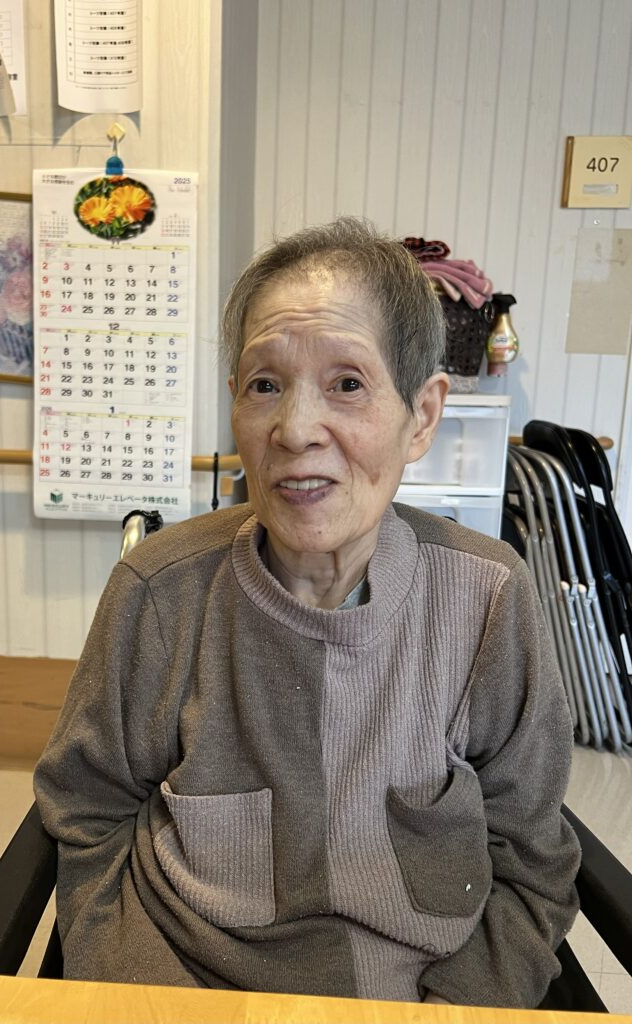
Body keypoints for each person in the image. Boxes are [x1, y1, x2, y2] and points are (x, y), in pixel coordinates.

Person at [34, 217, 579, 1007]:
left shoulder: (488, 597)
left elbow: (530, 857)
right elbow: (88, 817)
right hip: (194, 989)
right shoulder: (160, 591)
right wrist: (155, 1005)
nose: (294, 430)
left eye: (347, 384)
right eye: (265, 385)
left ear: (422, 416)